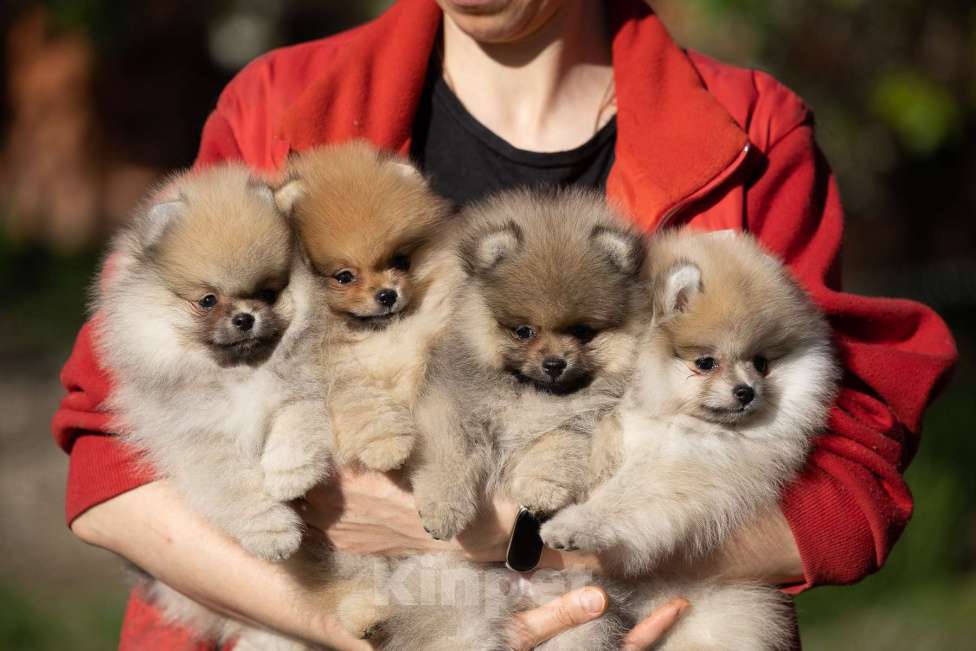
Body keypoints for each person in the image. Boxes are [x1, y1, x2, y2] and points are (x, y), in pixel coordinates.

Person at [54, 0, 957, 649]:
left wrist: (562, 553)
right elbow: (103, 464)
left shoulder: (745, 131)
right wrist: (335, 618)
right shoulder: (284, 103)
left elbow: (850, 491)